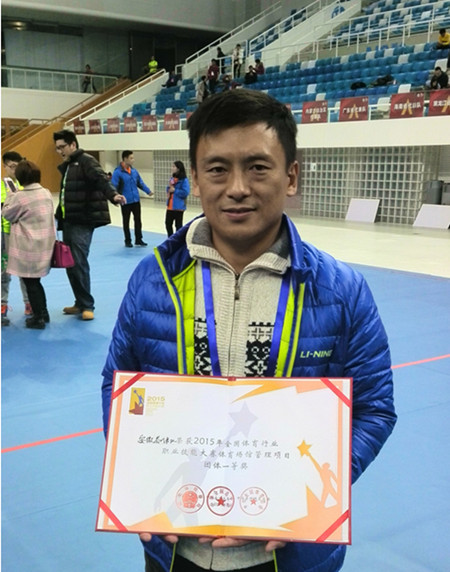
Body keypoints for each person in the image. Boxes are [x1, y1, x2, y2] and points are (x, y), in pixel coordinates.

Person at [101, 90, 396, 572]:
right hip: (175, 548)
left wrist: (305, 498)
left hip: (291, 552)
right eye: (217, 169)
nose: (237, 187)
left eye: (258, 167)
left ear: (291, 176)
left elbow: (374, 409)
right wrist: (139, 479)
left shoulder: (341, 291)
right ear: (196, 179)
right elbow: (118, 388)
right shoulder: (153, 279)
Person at [53, 129, 126, 321]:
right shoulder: (68, 166)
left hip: (83, 220)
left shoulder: (86, 161)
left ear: (73, 145)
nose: (60, 151)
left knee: (78, 261)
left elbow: (102, 180)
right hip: (69, 220)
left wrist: (113, 195)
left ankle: (87, 305)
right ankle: (79, 302)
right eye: (57, 148)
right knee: (69, 263)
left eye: (62, 147)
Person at [2, 161, 55, 330]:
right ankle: (44, 313)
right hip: (45, 244)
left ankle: (38, 317)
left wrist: (10, 196)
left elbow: (7, 214)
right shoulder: (46, 193)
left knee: (31, 283)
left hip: (28, 246)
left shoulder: (20, 197)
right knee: (36, 282)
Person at [1, 151, 32, 325]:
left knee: (25, 271)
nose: (14, 170)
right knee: (3, 272)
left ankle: (29, 303)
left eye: (17, 166)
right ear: (5, 166)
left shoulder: (26, 186)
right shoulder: (1, 186)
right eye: (11, 166)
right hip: (4, 234)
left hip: (23, 234)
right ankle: (2, 305)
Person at [111, 150, 153, 247]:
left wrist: (148, 191)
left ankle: (139, 239)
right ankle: (128, 240)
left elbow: (140, 183)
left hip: (135, 200)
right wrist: (114, 199)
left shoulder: (134, 171)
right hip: (125, 201)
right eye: (131, 158)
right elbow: (113, 186)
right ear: (125, 159)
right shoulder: (118, 172)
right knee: (126, 222)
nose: (133, 160)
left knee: (138, 220)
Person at [165, 160, 190, 236]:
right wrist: (168, 189)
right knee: (168, 223)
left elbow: (185, 192)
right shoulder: (172, 178)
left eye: (174, 166)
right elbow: (169, 188)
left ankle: (178, 240)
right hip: (170, 206)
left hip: (178, 206)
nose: (172, 168)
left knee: (178, 226)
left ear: (178, 168)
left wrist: (175, 190)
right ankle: (170, 238)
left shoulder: (184, 180)